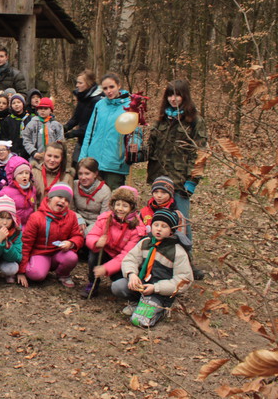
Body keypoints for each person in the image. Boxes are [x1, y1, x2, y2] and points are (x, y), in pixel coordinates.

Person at [112, 209, 193, 327]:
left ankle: (162, 310)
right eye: (156, 225)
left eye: (164, 226)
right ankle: (138, 302)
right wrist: (132, 274)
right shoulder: (145, 242)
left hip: (160, 292)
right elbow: (130, 259)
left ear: (171, 230)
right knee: (117, 287)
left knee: (138, 321)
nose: (159, 229)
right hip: (142, 284)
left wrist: (156, 288)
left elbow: (184, 279)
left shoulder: (177, 252)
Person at [147, 79, 207, 230]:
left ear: (185, 96)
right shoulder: (161, 120)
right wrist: (134, 152)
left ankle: (186, 252)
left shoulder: (194, 121)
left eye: (177, 95)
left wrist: (192, 181)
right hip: (159, 179)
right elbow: (150, 148)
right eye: (170, 95)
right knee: (159, 222)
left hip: (180, 181)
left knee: (181, 223)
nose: (173, 99)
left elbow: (201, 154)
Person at [83, 186, 146, 298]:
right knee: (94, 255)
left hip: (123, 259)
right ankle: (93, 283)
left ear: (132, 208)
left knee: (119, 278)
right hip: (106, 252)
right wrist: (97, 242)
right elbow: (92, 235)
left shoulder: (136, 229)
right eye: (118, 205)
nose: (120, 209)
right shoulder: (105, 219)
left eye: (125, 206)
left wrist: (106, 268)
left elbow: (125, 255)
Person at [17, 183, 84, 288]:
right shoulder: (36, 217)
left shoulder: (71, 216)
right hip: (40, 253)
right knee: (36, 275)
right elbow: (26, 243)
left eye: (66, 200)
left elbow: (78, 236)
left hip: (59, 253)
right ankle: (36, 265)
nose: (63, 201)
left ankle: (63, 274)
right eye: (60, 197)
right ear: (49, 198)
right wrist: (21, 271)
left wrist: (71, 243)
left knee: (72, 257)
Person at [78, 73, 132, 190]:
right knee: (93, 197)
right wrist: (83, 157)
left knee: (113, 200)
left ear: (119, 85)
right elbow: (90, 132)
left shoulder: (129, 107)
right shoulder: (99, 105)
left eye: (111, 87)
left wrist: (130, 153)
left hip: (115, 162)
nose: (109, 91)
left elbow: (134, 133)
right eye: (105, 88)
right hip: (94, 161)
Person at [64, 70, 103, 163]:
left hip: (93, 142)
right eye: (77, 82)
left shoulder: (97, 100)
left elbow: (92, 125)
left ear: (88, 84)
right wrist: (64, 128)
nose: (77, 85)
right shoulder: (82, 97)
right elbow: (76, 118)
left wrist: (73, 133)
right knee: (75, 165)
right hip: (81, 141)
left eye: (80, 83)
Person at [73, 157, 111, 235]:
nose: (83, 177)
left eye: (87, 173)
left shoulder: (105, 191)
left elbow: (104, 217)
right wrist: (78, 218)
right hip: (77, 220)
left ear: (95, 174)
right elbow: (70, 209)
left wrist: (87, 231)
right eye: (80, 174)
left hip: (96, 223)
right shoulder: (74, 185)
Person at [0, 156, 37, 229]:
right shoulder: (6, 192)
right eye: (20, 173)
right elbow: (1, 215)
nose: (24, 176)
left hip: (29, 226)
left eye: (27, 173)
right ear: (14, 176)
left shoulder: (32, 190)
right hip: (13, 228)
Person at [22, 97, 64, 161]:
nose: (43, 110)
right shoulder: (32, 123)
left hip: (52, 159)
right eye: (40, 108)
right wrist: (33, 152)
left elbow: (60, 140)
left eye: (46, 108)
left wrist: (55, 152)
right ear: (37, 110)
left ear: (51, 110)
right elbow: (26, 139)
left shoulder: (56, 125)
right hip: (36, 158)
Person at [0, 93, 31, 158]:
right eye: (14, 103)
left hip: (27, 151)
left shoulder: (30, 119)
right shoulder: (7, 120)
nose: (16, 105)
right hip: (12, 151)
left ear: (23, 104)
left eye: (19, 102)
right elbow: (4, 137)